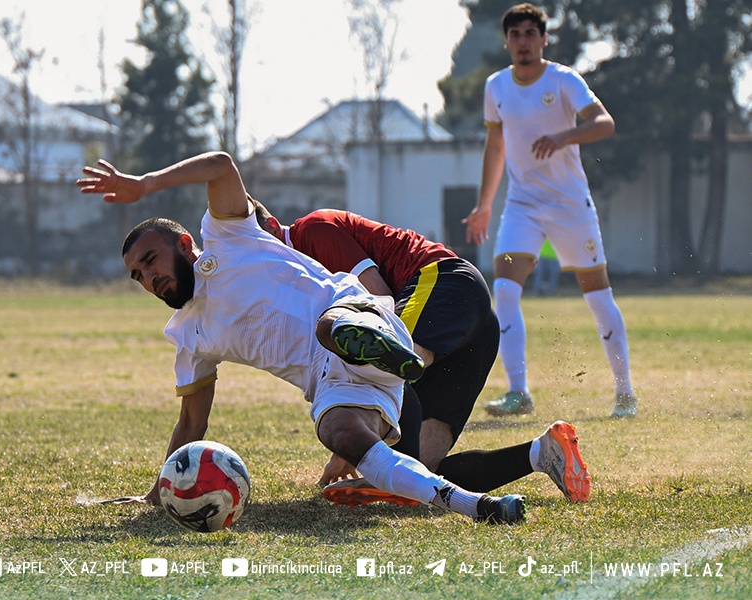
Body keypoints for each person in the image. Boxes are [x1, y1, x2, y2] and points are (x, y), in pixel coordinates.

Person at [76, 151, 525, 524]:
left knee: (331, 327)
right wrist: (157, 494)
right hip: (330, 380)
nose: (148, 278)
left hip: (354, 312)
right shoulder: (189, 339)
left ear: (185, 245)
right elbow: (192, 424)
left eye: (151, 261)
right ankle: (477, 504)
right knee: (336, 430)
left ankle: (382, 346)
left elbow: (220, 165)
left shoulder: (228, 234)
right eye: (138, 276)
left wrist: (145, 183)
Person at [251, 203, 591, 505]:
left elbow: (379, 301)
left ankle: (384, 481)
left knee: (388, 370)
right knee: (421, 472)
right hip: (472, 319)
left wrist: (354, 437)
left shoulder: (312, 229)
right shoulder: (297, 276)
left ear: (269, 228)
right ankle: (543, 453)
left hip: (443, 281)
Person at [462, 2, 638, 419]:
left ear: (544, 39)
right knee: (503, 289)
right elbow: (496, 146)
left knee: (597, 295)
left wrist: (562, 137)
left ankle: (625, 392)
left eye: (530, 33)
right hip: (522, 205)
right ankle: (519, 392)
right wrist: (484, 205)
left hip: (569, 204)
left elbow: (604, 122)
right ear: (506, 42)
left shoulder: (563, 80)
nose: (523, 42)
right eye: (515, 35)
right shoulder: (496, 87)